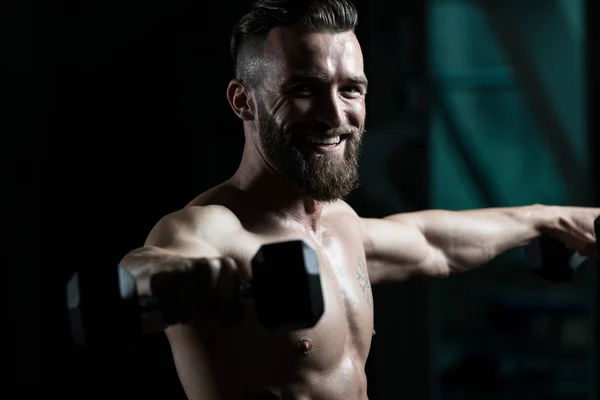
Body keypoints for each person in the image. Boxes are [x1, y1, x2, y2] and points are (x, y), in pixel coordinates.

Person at [120, 0, 599, 398]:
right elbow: (147, 266)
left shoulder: (340, 223)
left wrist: (550, 218)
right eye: (305, 89)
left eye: (350, 89)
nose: (335, 115)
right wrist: (173, 278)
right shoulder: (216, 230)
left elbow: (433, 243)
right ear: (243, 100)